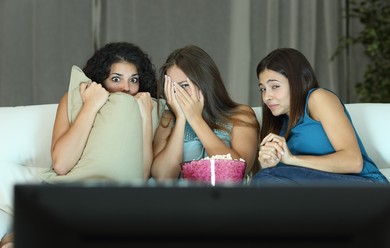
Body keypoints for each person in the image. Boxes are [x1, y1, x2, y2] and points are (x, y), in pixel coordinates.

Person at [250, 47, 389, 185]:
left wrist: (291, 159)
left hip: (367, 186)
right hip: (322, 192)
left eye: (275, 86)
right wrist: (270, 164)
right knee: (265, 182)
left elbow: (354, 161)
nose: (266, 97)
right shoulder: (279, 125)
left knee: (265, 180)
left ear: (299, 81)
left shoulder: (318, 99)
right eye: (263, 89)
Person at [151, 45, 259, 181]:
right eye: (172, 88)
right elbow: (163, 177)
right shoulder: (167, 119)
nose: (179, 94)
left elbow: (236, 172)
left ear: (205, 82)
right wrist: (180, 119)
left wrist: (196, 119)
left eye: (184, 85)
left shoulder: (240, 115)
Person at [51, 42, 157, 180]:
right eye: (116, 79)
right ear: (101, 79)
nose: (126, 87)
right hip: (70, 190)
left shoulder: (146, 106)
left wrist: (146, 117)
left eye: (134, 80)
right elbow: (61, 164)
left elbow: (141, 177)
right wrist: (91, 105)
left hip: (114, 196)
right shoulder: (74, 99)